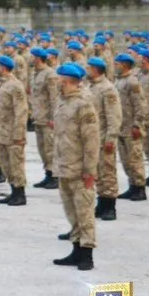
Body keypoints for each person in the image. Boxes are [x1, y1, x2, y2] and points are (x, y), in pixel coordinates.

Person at [52, 62, 99, 271]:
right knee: (71, 211)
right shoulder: (63, 102)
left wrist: (90, 170)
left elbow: (91, 140)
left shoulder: (83, 104)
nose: (56, 82)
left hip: (80, 168)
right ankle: (76, 249)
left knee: (85, 211)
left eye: (59, 78)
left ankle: (87, 253)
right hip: (64, 165)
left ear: (66, 80)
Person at [86, 58, 123, 221]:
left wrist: (111, 138)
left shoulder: (108, 89)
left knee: (107, 172)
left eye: (89, 68)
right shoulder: (91, 87)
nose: (86, 70)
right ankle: (101, 204)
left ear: (95, 69)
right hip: (94, 138)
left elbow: (114, 116)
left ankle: (110, 207)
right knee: (98, 173)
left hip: (104, 137)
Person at [0, 55, 30, 206]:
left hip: (13, 132)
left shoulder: (15, 86)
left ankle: (20, 193)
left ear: (3, 67)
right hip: (2, 131)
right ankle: (13, 190)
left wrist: (18, 134)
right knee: (6, 163)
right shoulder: (1, 84)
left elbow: (21, 111)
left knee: (16, 164)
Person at [113, 54, 146, 201]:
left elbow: (140, 105)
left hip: (131, 126)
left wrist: (137, 125)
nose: (115, 65)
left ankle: (139, 188)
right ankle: (132, 186)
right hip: (121, 126)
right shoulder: (119, 80)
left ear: (125, 65)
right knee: (126, 160)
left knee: (135, 159)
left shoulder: (132, 81)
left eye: (118, 63)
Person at [29, 48, 60, 189]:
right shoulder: (35, 73)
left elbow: (54, 98)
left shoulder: (50, 74)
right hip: (38, 116)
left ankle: (55, 175)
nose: (30, 59)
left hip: (48, 118)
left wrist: (54, 117)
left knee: (50, 148)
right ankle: (48, 173)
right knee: (42, 149)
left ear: (37, 58)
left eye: (32, 57)